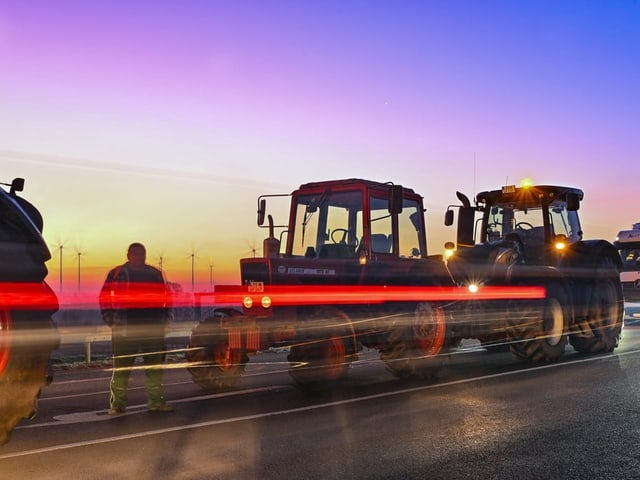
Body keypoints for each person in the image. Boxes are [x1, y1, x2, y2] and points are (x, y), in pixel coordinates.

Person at [99, 242, 174, 414]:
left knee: (154, 370)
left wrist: (165, 321)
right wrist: (110, 320)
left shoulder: (155, 273)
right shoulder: (117, 273)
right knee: (121, 370)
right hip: (125, 330)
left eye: (142, 254)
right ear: (128, 255)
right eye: (136, 254)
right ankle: (117, 405)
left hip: (152, 330)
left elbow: (167, 298)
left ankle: (155, 402)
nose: (139, 257)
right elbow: (103, 297)